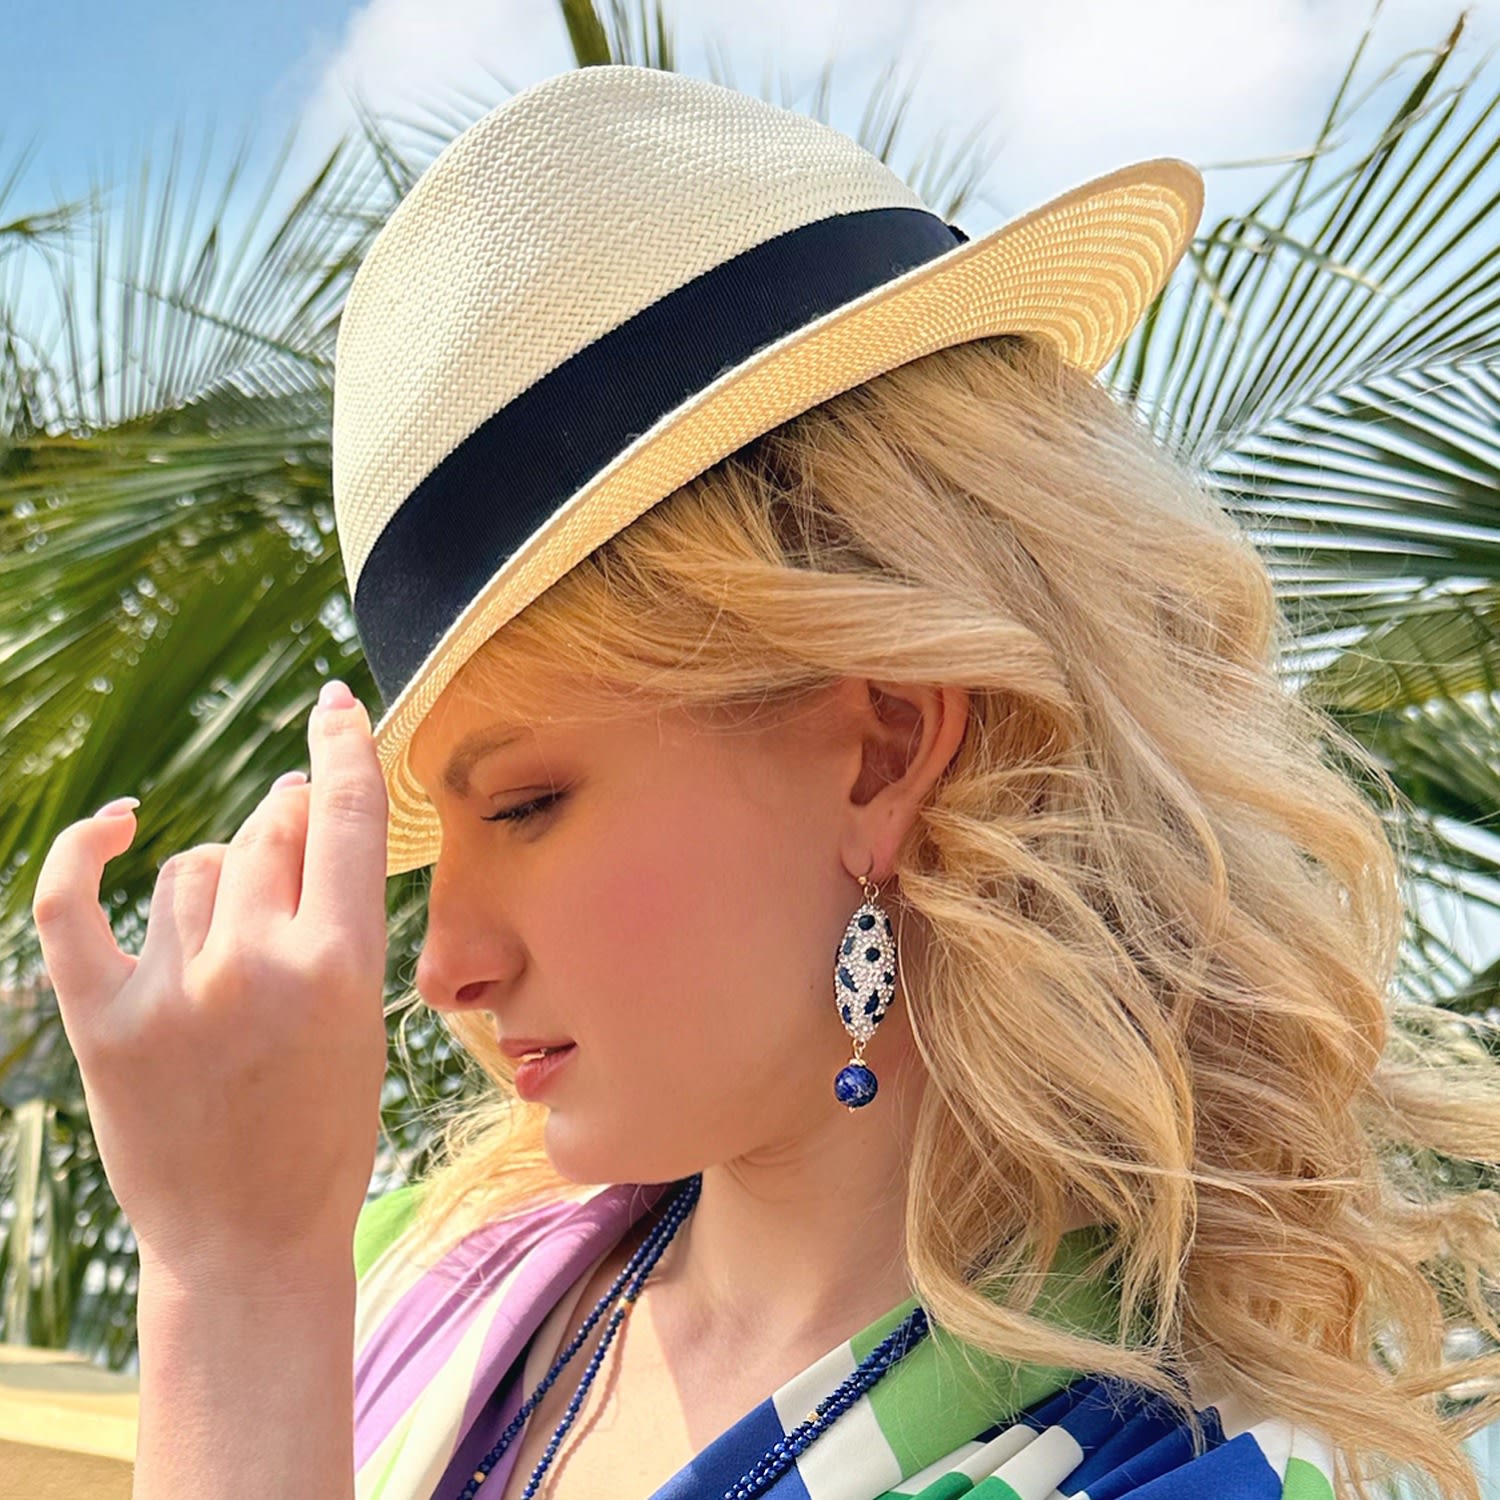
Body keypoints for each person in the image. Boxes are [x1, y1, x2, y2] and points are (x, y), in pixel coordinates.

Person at [33, 64, 1500, 1500]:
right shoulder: (414, 1270)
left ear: (882, 748)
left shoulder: (1173, 1475)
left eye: (526, 803)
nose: (444, 965)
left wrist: (234, 1288)